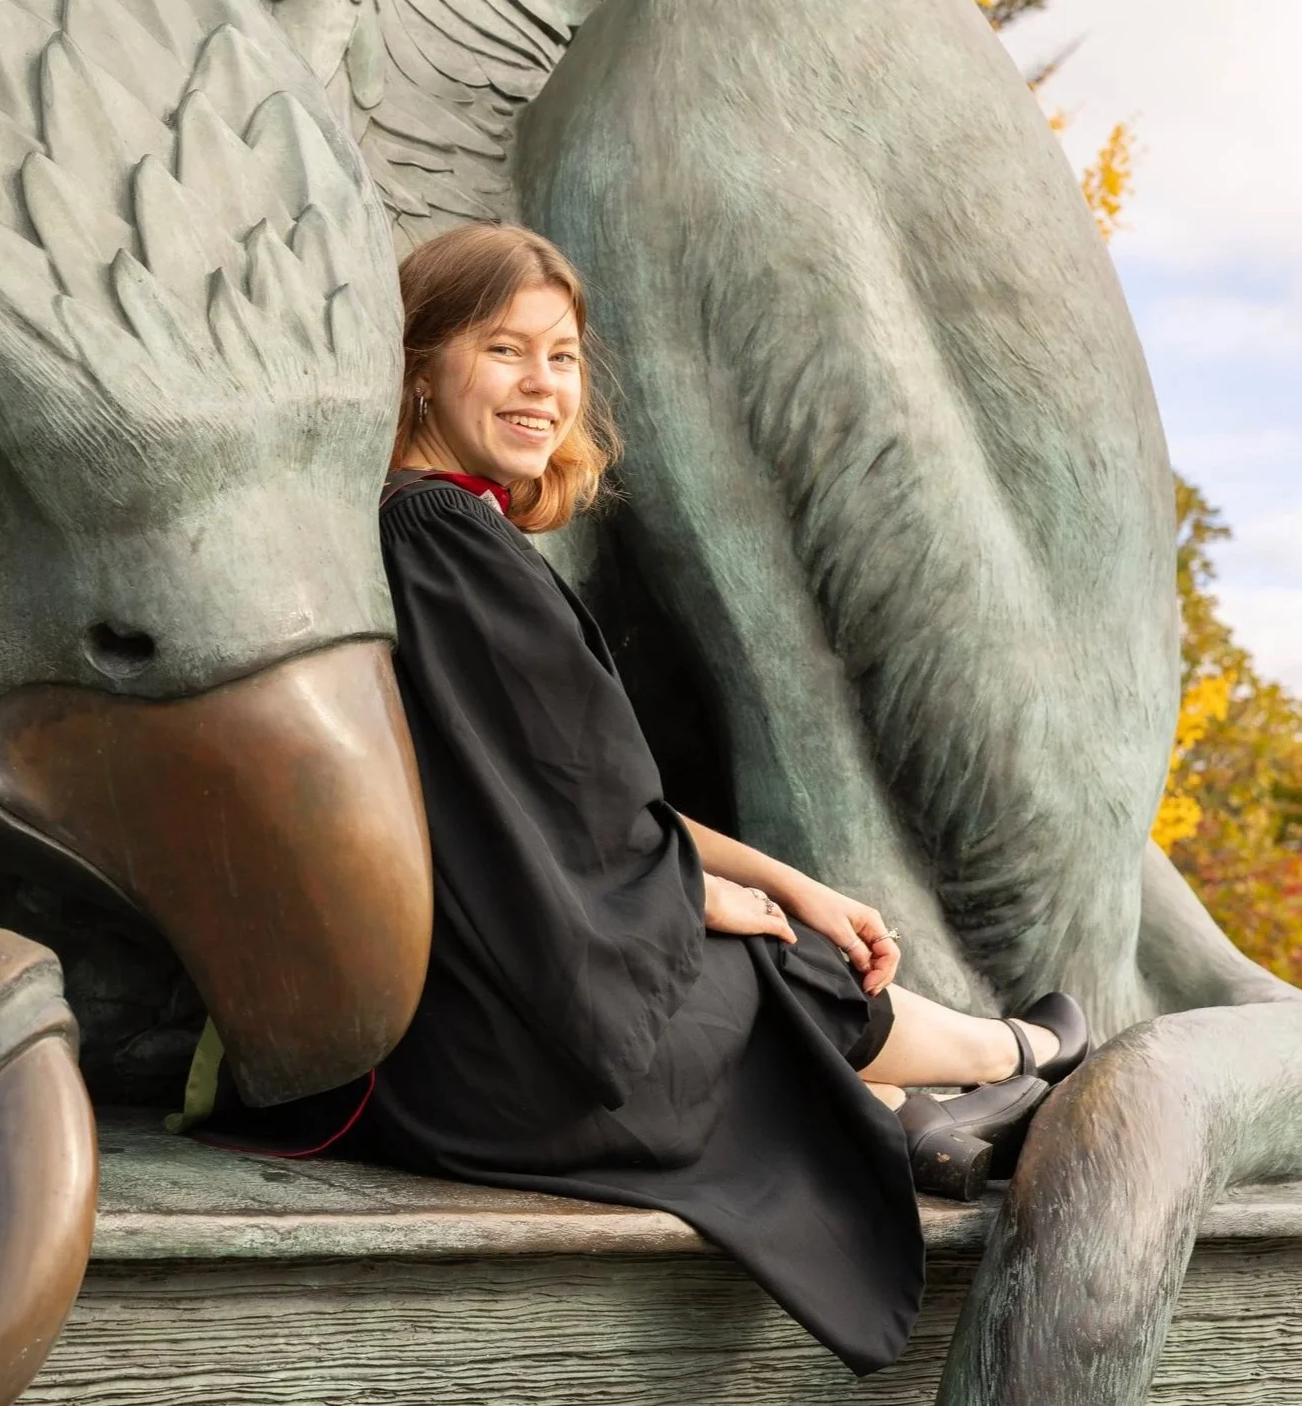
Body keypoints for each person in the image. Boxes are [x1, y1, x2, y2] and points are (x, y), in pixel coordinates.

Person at [359, 222, 1090, 1374]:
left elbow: (599, 792)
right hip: (482, 1063)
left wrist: (785, 880)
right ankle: (1012, 1059)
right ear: (420, 366)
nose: (542, 384)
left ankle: (949, 1099)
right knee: (757, 964)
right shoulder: (437, 535)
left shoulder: (453, 532)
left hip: (472, 1032)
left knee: (766, 942)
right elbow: (550, 813)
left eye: (562, 356)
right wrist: (691, 897)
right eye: (505, 350)